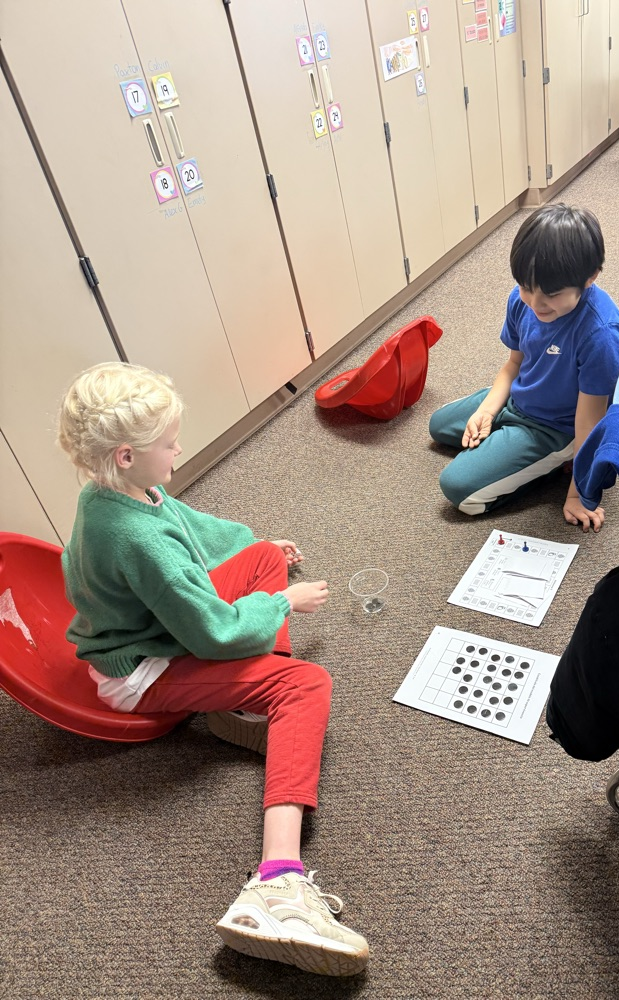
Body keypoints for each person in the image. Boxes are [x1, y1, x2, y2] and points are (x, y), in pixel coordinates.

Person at [56, 362, 369, 978]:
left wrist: (259, 552)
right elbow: (211, 631)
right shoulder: (132, 538)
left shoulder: (114, 489)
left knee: (255, 558)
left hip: (161, 629)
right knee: (307, 685)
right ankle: (277, 881)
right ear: (125, 454)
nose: (178, 451)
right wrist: (281, 603)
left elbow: (189, 529)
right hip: (141, 670)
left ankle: (249, 705)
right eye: (168, 444)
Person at [428, 203, 619, 532]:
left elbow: (590, 420)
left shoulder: (600, 334)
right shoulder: (521, 300)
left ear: (590, 277)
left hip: (556, 428)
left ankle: (553, 462)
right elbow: (513, 365)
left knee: (458, 488)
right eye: (525, 287)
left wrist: (580, 494)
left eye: (551, 294)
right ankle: (510, 440)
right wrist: (488, 411)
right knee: (439, 425)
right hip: (518, 399)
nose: (535, 304)